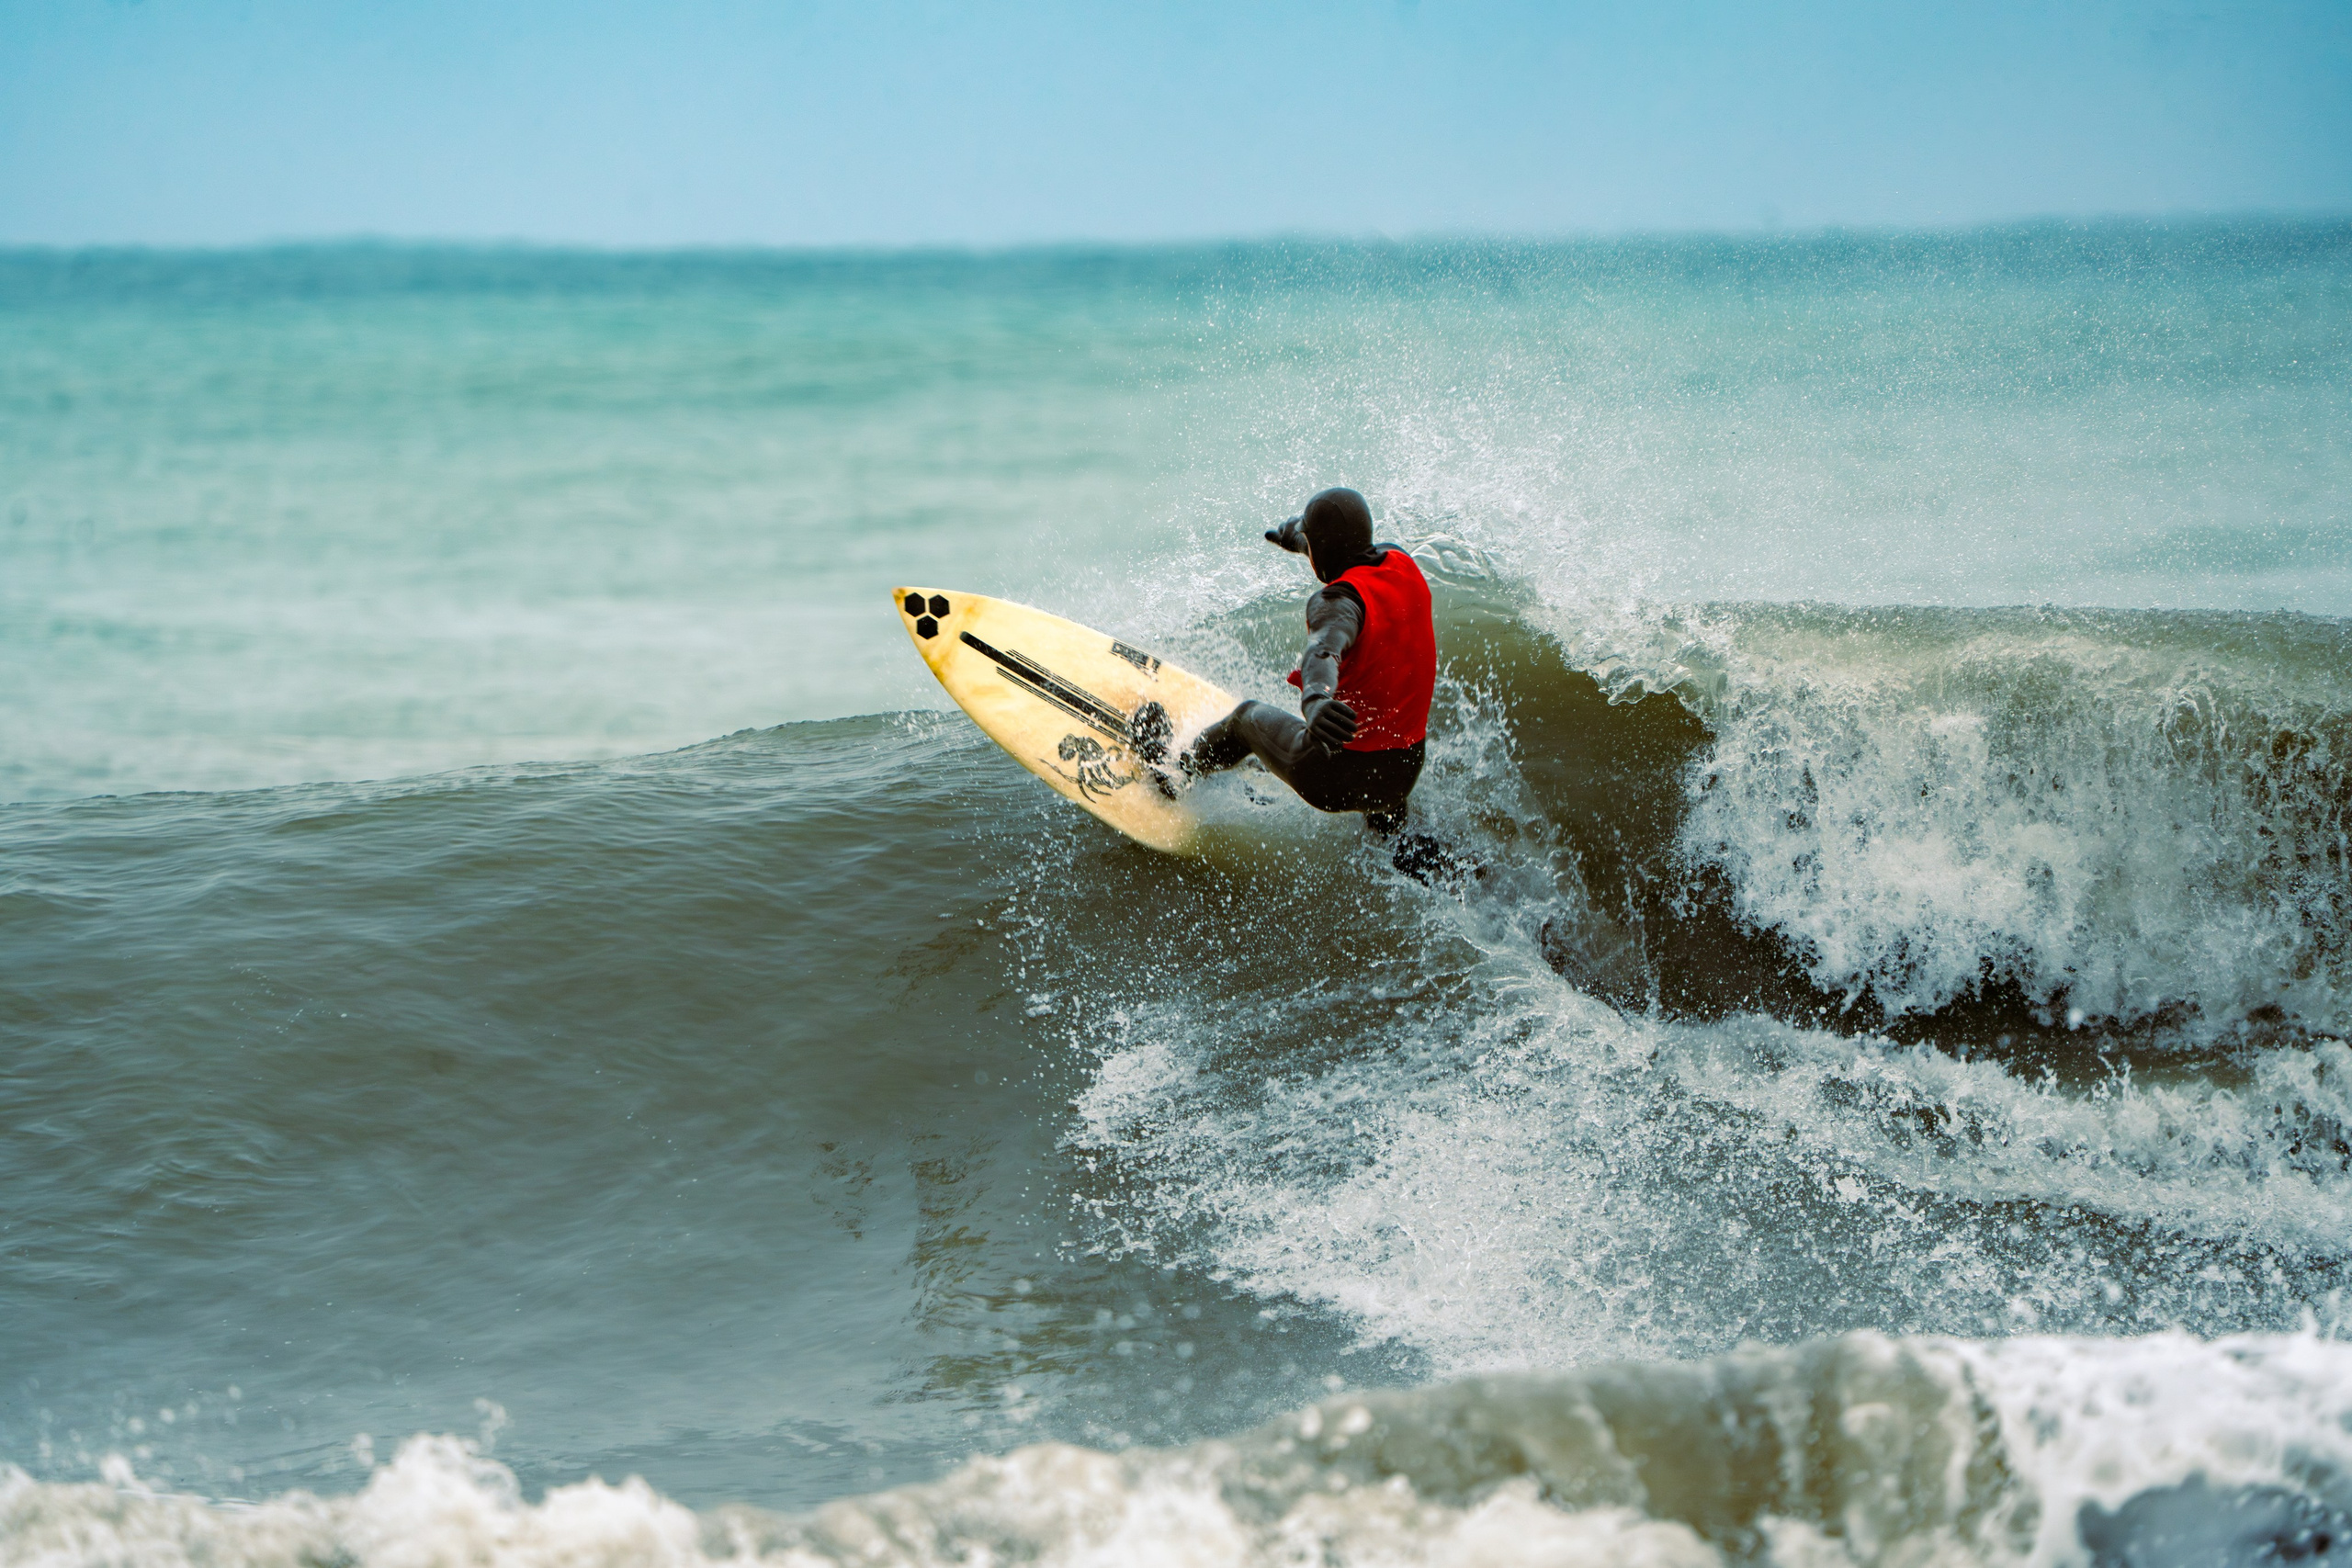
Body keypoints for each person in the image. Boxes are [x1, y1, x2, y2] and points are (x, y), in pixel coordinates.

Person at [1150, 486, 1436, 843]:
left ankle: (1173, 773)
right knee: (1376, 724)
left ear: (1322, 550)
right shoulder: (1400, 561)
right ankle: (1396, 841)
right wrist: (1301, 540)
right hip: (1403, 772)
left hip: (1336, 780)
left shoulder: (1336, 603)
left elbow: (1324, 651)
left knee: (1245, 719)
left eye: (1310, 542)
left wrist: (1316, 700)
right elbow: (1343, 550)